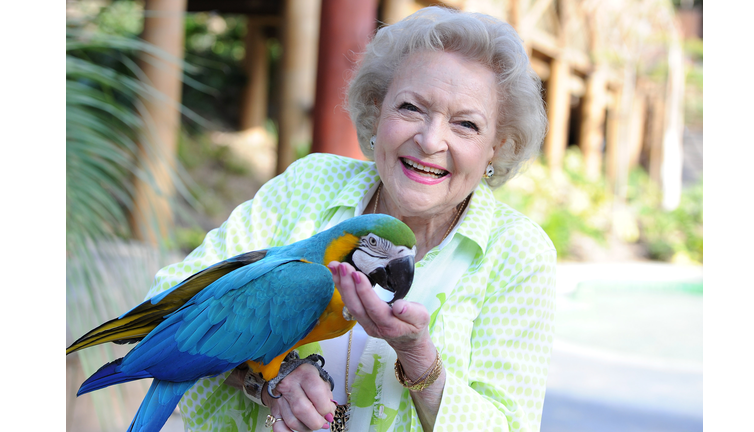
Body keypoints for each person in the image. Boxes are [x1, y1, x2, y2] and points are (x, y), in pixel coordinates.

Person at [145, 6, 555, 432]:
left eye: (466, 124)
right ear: (377, 111)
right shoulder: (311, 184)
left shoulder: (518, 253)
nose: (431, 140)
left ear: (497, 147)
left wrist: (418, 358)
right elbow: (169, 301)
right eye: (411, 108)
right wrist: (268, 381)